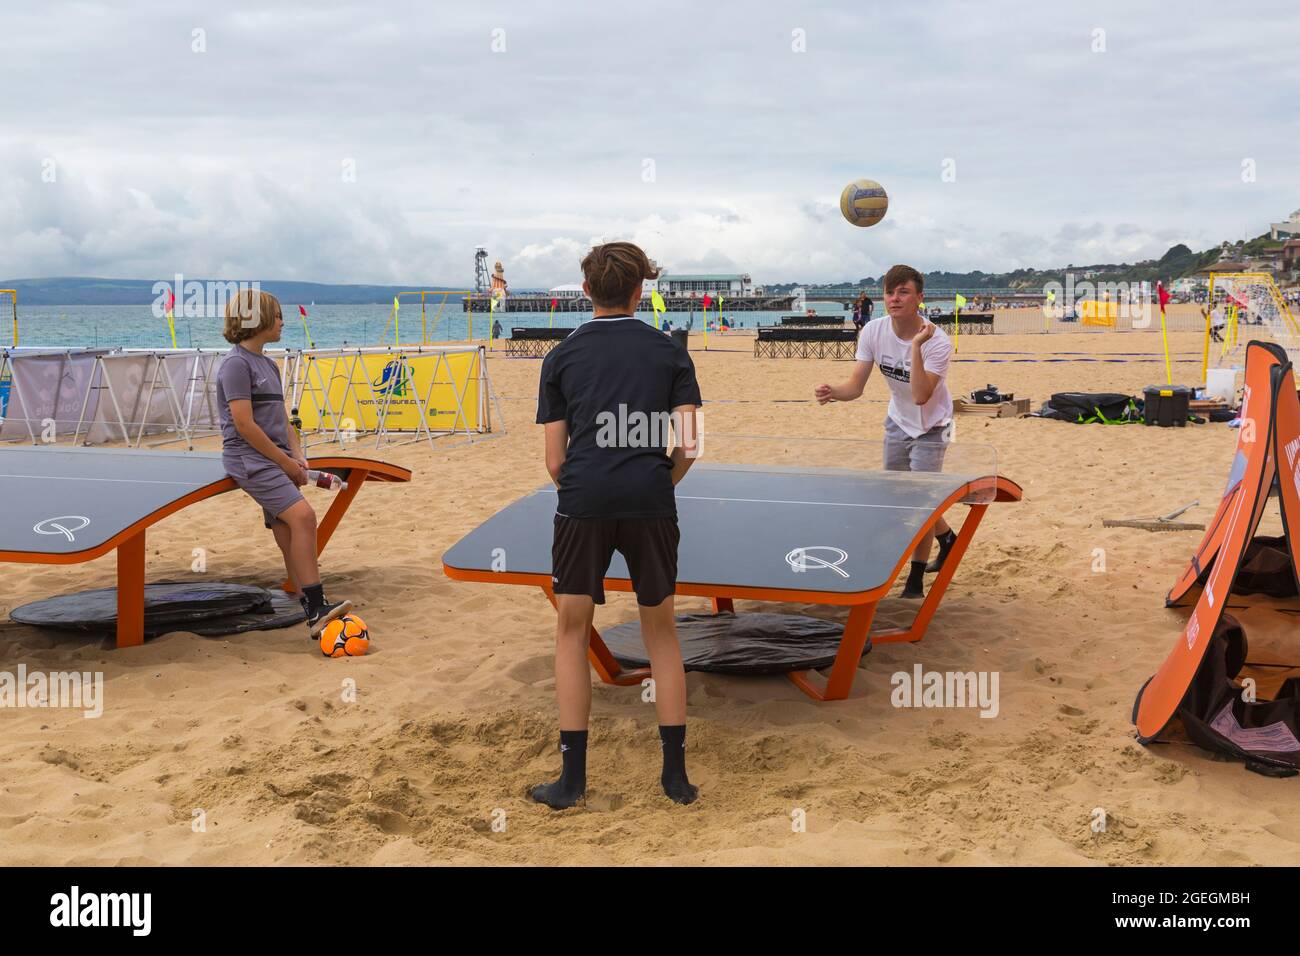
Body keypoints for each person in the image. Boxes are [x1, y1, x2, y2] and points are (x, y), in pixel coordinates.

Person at [533, 241, 702, 810]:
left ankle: (572, 781)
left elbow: (555, 462)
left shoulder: (560, 357)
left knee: (572, 633)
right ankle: (674, 777)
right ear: (640, 290)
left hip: (583, 499)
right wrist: (656, 484)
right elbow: (691, 447)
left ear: (586, 292)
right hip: (650, 500)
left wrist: (588, 488)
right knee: (661, 633)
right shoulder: (669, 352)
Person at [813, 264, 956, 599]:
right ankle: (947, 536)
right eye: (890, 292)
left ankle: (915, 580)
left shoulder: (938, 342)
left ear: (919, 298)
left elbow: (921, 395)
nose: (895, 298)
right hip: (897, 422)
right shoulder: (873, 331)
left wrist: (916, 347)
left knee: (919, 505)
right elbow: (856, 386)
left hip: (933, 426)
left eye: (903, 291)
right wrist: (834, 391)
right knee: (899, 498)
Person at [217, 289, 351, 636]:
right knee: (304, 517)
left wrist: (297, 455)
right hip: (250, 458)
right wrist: (284, 463)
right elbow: (244, 424)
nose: (282, 321)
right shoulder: (236, 364)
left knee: (287, 528)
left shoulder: (268, 364)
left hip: (275, 457)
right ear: (256, 320)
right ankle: (317, 606)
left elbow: (282, 418)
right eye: (276, 315)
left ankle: (301, 591)